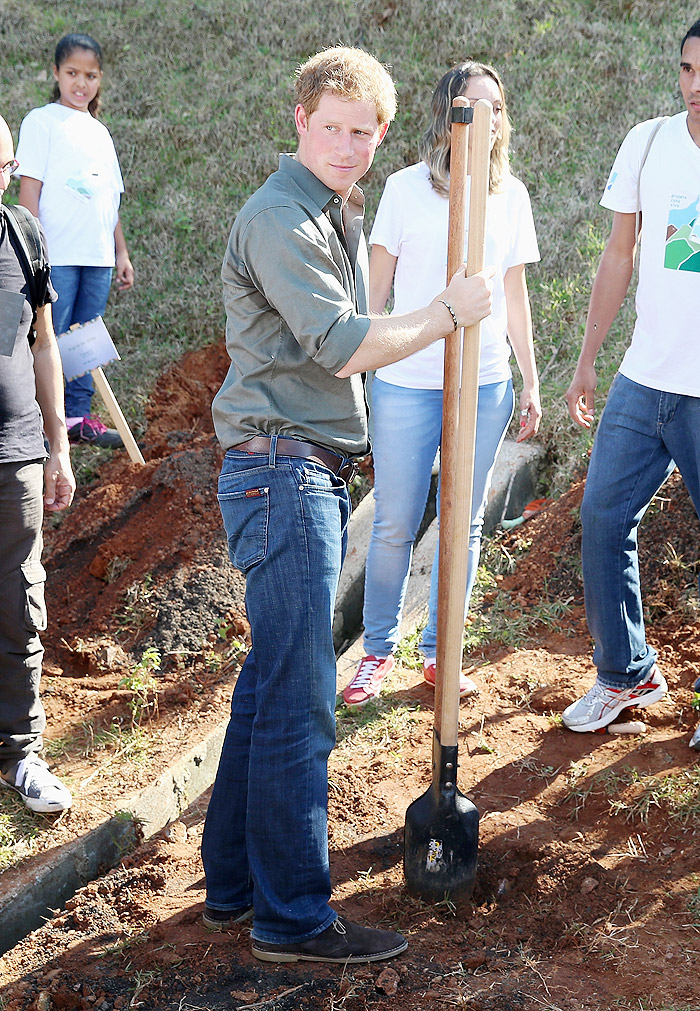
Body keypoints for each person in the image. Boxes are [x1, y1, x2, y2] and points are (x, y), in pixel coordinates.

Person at [201, 47, 493, 963]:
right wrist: (447, 313)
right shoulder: (281, 216)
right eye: (332, 127)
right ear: (299, 119)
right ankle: (293, 918)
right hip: (281, 473)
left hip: (297, 468)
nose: (348, 145)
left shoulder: (330, 209)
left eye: (364, 133)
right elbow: (337, 343)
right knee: (300, 703)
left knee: (267, 689)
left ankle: (233, 886)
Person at [343, 62, 541, 708]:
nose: (485, 120)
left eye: (496, 109)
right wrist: (362, 371)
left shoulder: (510, 195)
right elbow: (374, 293)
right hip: (405, 381)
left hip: (484, 386)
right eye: (472, 107)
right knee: (396, 520)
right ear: (447, 114)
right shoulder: (404, 190)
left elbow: (514, 296)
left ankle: (440, 652)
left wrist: (530, 380)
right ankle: (376, 650)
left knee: (466, 521)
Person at [562, 19, 700, 751]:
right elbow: (619, 255)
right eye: (686, 69)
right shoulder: (648, 142)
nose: (696, 85)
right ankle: (627, 673)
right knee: (604, 520)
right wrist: (588, 360)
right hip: (645, 381)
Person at [0, 114, 75, 813]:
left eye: (1, 168)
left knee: (20, 603)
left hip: (17, 453)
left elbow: (45, 344)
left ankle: (21, 752)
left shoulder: (23, 235)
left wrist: (59, 442)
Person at [15, 32, 134, 449]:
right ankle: (41, 426)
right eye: (72, 73)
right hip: (56, 255)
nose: (81, 83)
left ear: (100, 79)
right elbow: (29, 189)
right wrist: (32, 248)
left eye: (91, 75)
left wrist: (120, 252)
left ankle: (78, 418)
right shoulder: (41, 121)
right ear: (56, 73)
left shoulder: (101, 133)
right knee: (48, 338)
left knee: (86, 340)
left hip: (97, 257)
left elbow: (109, 199)